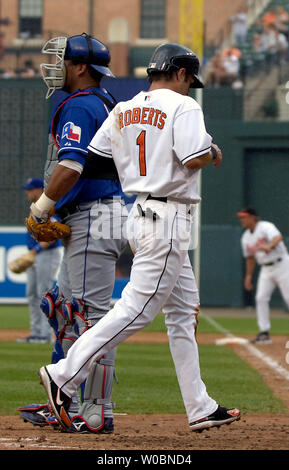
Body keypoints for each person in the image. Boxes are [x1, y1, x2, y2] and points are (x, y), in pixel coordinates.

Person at [36, 42, 241, 434]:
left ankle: (200, 407)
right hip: (167, 218)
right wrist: (212, 150)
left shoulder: (123, 108)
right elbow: (194, 156)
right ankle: (64, 374)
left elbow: (93, 161)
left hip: (141, 212)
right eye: (189, 78)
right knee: (136, 310)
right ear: (181, 73)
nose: (189, 86)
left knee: (183, 313)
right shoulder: (185, 107)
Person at [20, 33, 128, 434]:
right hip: (99, 215)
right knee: (62, 311)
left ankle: (97, 409)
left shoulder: (81, 105)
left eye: (63, 60)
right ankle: (64, 400)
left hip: (95, 216)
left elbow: (72, 165)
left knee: (90, 321)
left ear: (80, 67)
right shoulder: (105, 104)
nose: (56, 66)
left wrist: (42, 206)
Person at [16, 177, 62, 344]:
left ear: (38, 190)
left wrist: (34, 252)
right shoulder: (34, 208)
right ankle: (36, 333)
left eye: (30, 189)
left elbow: (51, 235)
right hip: (35, 255)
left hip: (47, 254)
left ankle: (45, 334)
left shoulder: (48, 205)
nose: (27, 192)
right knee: (32, 294)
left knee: (44, 293)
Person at [237, 207, 289, 344]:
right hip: (266, 268)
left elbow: (278, 237)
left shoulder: (265, 226)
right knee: (260, 298)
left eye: (244, 217)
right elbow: (250, 258)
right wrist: (248, 276)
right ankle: (264, 333)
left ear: (252, 218)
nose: (242, 220)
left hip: (282, 264)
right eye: (241, 217)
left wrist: (270, 245)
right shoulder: (246, 237)